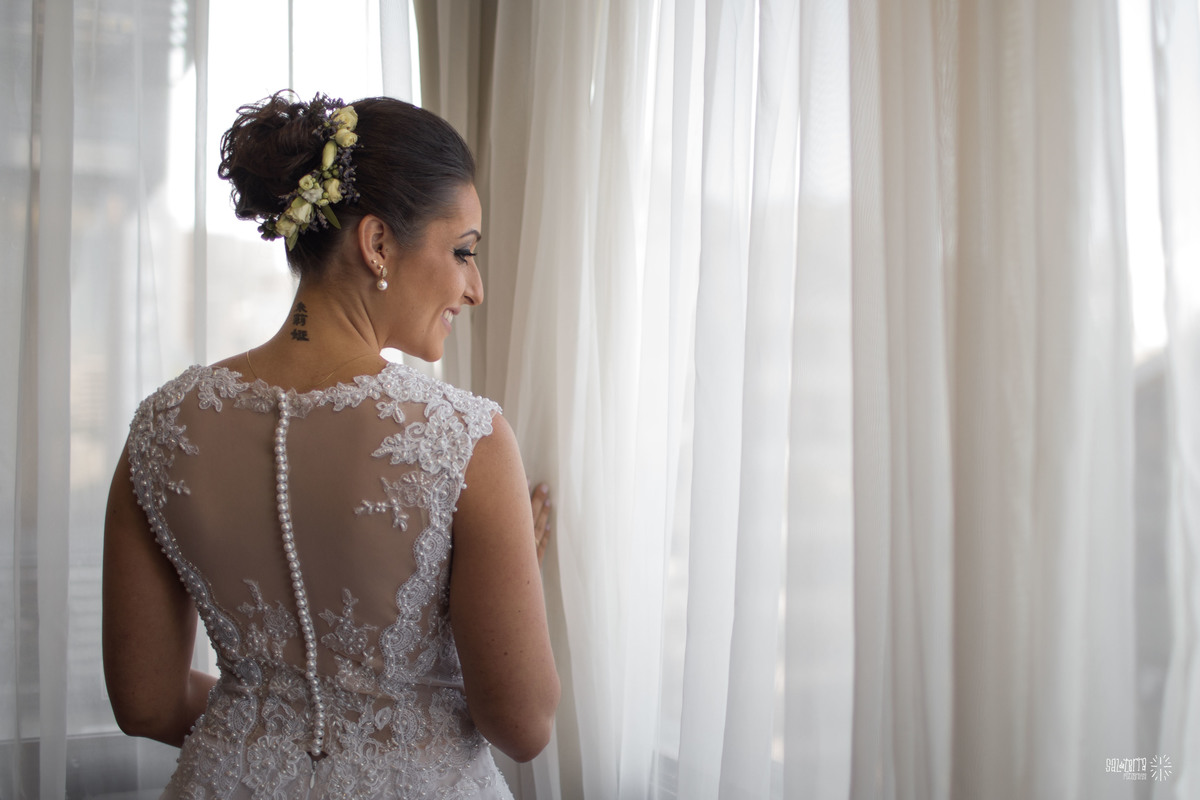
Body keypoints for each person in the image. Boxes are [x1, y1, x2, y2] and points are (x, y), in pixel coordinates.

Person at [102, 92, 559, 799]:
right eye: (463, 252)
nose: (475, 288)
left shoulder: (161, 429)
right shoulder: (464, 440)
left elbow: (146, 704)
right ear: (377, 243)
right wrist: (496, 586)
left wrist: (274, 721)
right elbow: (523, 725)